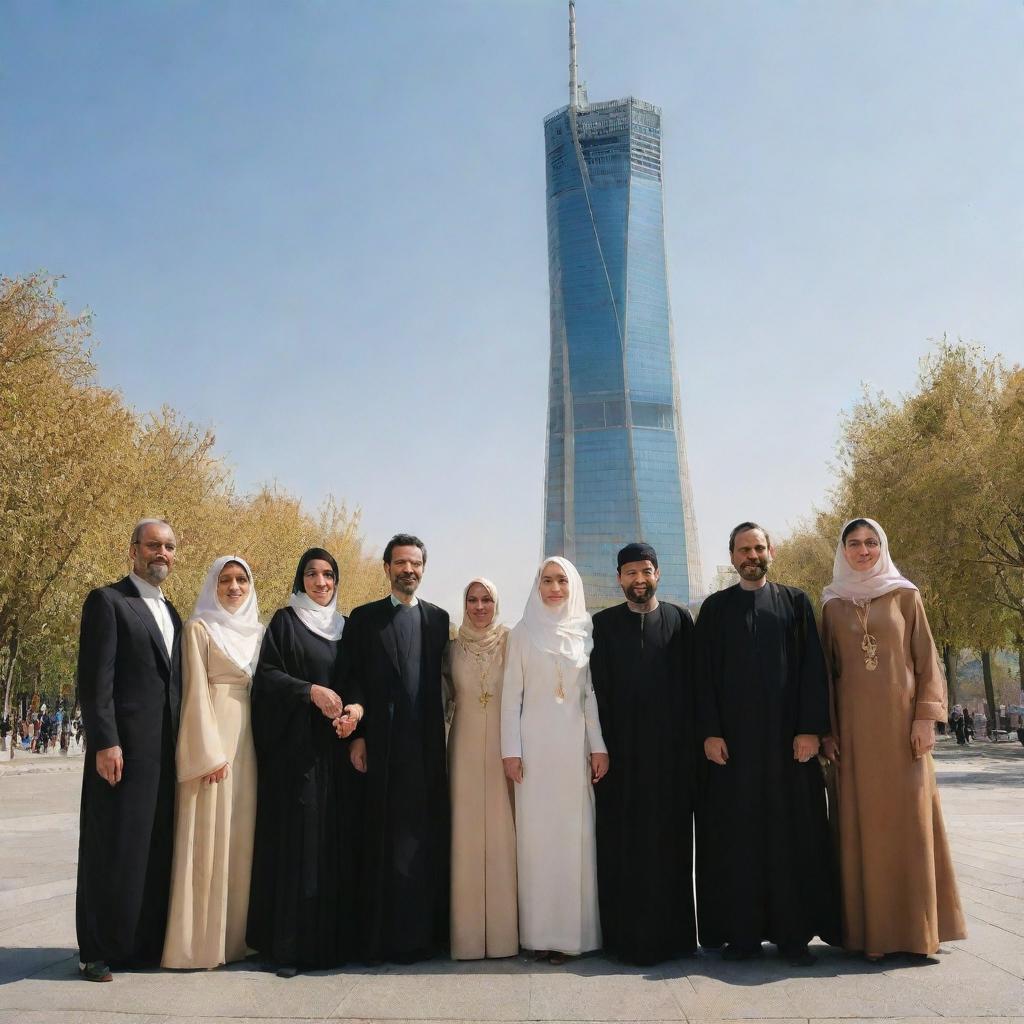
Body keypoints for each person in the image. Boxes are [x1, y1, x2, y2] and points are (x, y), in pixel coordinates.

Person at [821, 518, 966, 960]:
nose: (863, 551)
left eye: (870, 543)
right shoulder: (830, 605)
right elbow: (825, 676)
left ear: (881, 546)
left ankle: (918, 932)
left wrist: (926, 718)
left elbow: (927, 661)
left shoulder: (905, 594)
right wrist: (827, 732)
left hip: (904, 733)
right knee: (862, 828)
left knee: (911, 825)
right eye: (854, 543)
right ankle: (871, 936)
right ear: (842, 550)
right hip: (854, 737)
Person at [694, 522, 838, 966]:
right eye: (743, 549)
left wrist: (810, 730)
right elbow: (702, 677)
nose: (751, 555)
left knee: (791, 838)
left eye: (758, 547)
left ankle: (793, 937)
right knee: (737, 840)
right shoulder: (715, 610)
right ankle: (742, 936)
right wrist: (710, 731)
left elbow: (814, 669)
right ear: (732, 556)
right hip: (733, 752)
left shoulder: (795, 602)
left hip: (788, 750)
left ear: (770, 551)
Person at [75, 518, 182, 982]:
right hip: (122, 751)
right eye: (153, 545)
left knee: (151, 849)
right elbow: (95, 678)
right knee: (110, 847)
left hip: (164, 752)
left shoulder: (173, 612)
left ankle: (137, 945)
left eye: (169, 547)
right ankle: (95, 950)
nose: (162, 553)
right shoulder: (108, 601)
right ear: (134, 550)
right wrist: (106, 741)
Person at [246, 547, 359, 977]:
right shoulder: (285, 622)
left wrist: (354, 713)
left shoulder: (346, 628)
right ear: (301, 579)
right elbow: (268, 677)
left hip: (338, 750)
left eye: (328, 574)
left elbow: (356, 680)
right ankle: (291, 948)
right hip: (297, 754)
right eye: (311, 574)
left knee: (335, 842)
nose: (320, 582)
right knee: (301, 844)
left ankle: (333, 944)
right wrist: (310, 691)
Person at [341, 534, 450, 963]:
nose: (409, 570)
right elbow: (350, 677)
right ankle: (379, 939)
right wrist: (358, 737)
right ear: (386, 568)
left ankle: (423, 937)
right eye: (401, 563)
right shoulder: (363, 619)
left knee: (423, 840)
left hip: (426, 749)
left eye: (416, 563)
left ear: (424, 568)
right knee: (382, 841)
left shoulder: (439, 620)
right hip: (381, 748)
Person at [591, 543, 697, 965]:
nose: (639, 579)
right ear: (619, 577)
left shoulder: (679, 620)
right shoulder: (601, 625)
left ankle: (672, 939)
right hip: (618, 758)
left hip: (669, 759)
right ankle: (622, 938)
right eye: (631, 572)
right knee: (621, 845)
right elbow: (592, 693)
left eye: (646, 571)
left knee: (668, 845)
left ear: (658, 574)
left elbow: (693, 686)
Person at [501, 556, 608, 965]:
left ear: (573, 585)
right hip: (534, 752)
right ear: (537, 585)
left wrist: (599, 746)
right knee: (537, 842)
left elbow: (590, 696)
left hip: (573, 749)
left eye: (562, 580)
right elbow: (511, 697)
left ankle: (572, 935)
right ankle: (540, 934)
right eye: (546, 580)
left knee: (575, 839)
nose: (554, 588)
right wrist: (511, 751)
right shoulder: (523, 633)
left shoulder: (585, 632)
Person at [162, 556, 263, 969]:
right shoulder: (198, 629)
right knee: (206, 838)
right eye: (226, 580)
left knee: (240, 840)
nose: (234, 587)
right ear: (213, 584)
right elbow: (195, 694)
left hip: (250, 746)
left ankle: (236, 941)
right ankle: (199, 946)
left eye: (241, 580)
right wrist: (209, 754)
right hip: (214, 746)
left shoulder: (260, 633)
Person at [445, 577, 518, 960]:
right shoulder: (451, 648)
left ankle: (507, 936)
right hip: (464, 746)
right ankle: (467, 937)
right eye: (472, 599)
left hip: (505, 749)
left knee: (504, 833)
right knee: (467, 836)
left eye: (486, 599)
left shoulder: (512, 642)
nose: (479, 606)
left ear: (496, 602)